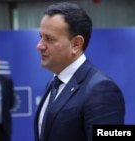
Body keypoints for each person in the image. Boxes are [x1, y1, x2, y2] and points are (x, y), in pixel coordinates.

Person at [34, 2, 125, 141]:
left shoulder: (101, 90)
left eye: (49, 39)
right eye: (41, 36)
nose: (39, 46)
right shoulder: (53, 83)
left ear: (76, 44)